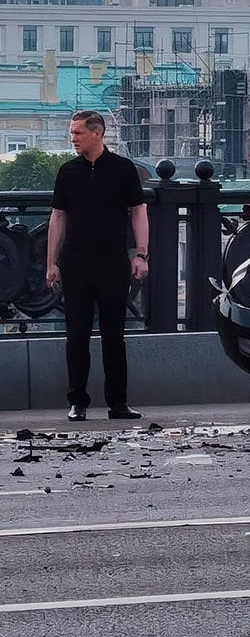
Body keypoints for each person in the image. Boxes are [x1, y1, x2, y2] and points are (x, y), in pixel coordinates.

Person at [45, 110, 149, 422]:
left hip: (113, 262)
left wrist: (141, 255)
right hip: (75, 263)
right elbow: (58, 217)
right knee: (76, 335)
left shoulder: (122, 169)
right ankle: (78, 402)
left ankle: (118, 403)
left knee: (113, 335)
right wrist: (52, 262)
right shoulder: (67, 172)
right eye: (72, 133)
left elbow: (138, 210)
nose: (73, 138)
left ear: (97, 133)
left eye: (78, 133)